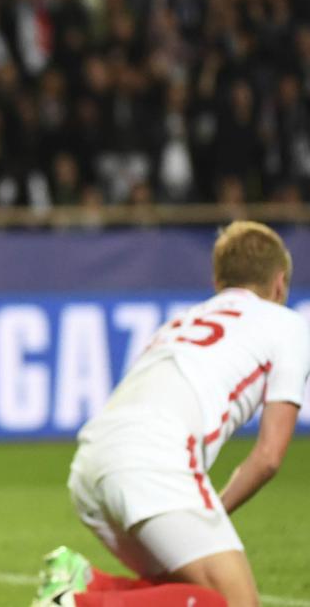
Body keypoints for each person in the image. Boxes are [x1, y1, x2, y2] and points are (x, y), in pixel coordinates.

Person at [33, 221, 310, 607]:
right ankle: (78, 604)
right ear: (279, 284)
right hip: (153, 461)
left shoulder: (182, 321)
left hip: (92, 464)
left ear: (219, 282)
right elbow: (267, 457)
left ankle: (89, 583)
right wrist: (217, 509)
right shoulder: (289, 325)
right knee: (237, 603)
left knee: (196, 594)